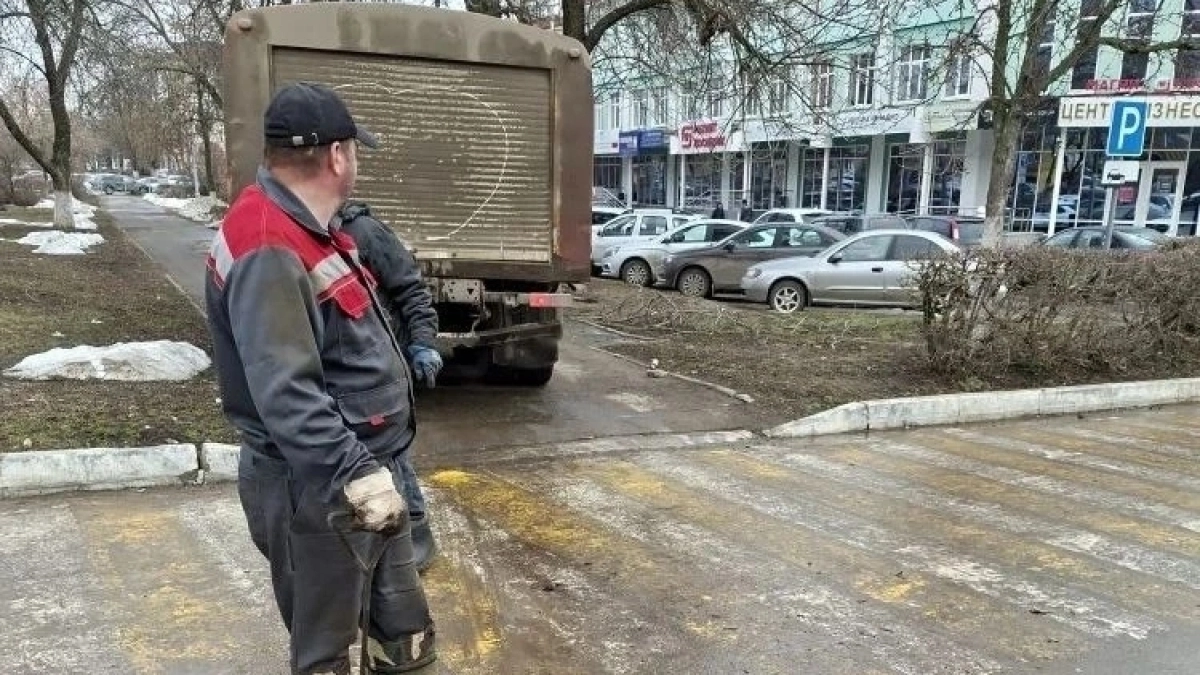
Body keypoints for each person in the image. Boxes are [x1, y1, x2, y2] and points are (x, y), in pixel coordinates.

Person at [205, 82, 436, 675]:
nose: (355, 161)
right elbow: (286, 392)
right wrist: (356, 476)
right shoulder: (269, 245)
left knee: (403, 635)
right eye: (355, 150)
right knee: (328, 654)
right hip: (320, 491)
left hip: (363, 483)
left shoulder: (308, 228)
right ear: (337, 156)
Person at [339, 201, 442, 573]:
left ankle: (416, 540)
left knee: (391, 455)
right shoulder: (310, 236)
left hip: (385, 366)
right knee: (369, 457)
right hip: (351, 372)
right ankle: (386, 544)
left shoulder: (364, 232)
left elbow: (412, 292)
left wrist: (423, 344)